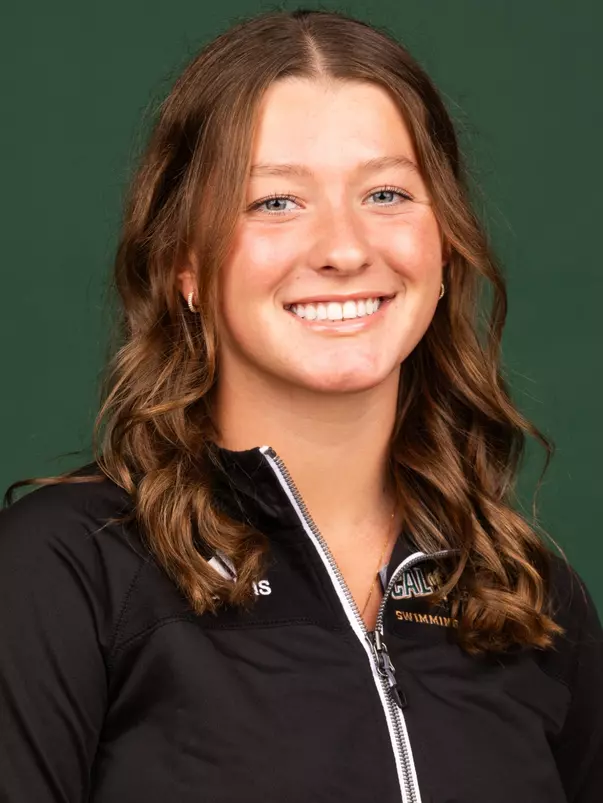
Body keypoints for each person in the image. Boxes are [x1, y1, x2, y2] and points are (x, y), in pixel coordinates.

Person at [1, 8, 601, 803]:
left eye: (386, 192)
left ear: (446, 245)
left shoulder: (526, 593)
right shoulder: (63, 571)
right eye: (276, 202)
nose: (345, 248)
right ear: (184, 261)